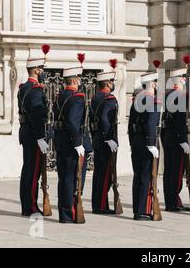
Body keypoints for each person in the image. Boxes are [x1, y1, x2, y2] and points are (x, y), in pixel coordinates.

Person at [53, 66, 89, 223]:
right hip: (71, 143)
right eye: (80, 78)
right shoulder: (77, 98)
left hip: (60, 141)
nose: (80, 81)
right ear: (75, 80)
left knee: (63, 178)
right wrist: (78, 143)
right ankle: (70, 213)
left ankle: (64, 212)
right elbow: (73, 123)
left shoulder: (60, 96)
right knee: (71, 178)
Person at [18, 57, 49, 216]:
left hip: (25, 133)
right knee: (33, 172)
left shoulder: (23, 88)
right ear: (37, 70)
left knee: (27, 170)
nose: (43, 72)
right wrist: (40, 137)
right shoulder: (36, 91)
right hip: (33, 134)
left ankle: (26, 205)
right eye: (42, 69)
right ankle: (30, 207)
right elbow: (36, 116)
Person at [128, 72, 161, 220]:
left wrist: (132, 142)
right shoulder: (153, 101)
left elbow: (131, 125)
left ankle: (137, 209)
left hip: (136, 141)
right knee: (147, 176)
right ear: (153, 83)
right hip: (148, 142)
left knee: (139, 175)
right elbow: (150, 123)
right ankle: (143, 210)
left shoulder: (136, 101)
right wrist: (151, 143)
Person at [161, 68, 190, 212]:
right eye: (184, 77)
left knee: (169, 171)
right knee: (176, 172)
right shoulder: (179, 95)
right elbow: (179, 120)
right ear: (180, 79)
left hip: (167, 137)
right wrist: (183, 140)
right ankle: (174, 201)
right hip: (176, 138)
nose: (185, 80)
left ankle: (170, 200)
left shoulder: (167, 94)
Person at [90, 70, 119, 214]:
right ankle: (101, 205)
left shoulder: (95, 98)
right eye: (112, 82)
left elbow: (92, 121)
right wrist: (109, 138)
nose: (113, 85)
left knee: (99, 174)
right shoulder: (109, 99)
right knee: (106, 175)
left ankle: (98, 204)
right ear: (108, 83)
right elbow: (104, 119)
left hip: (97, 139)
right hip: (106, 142)